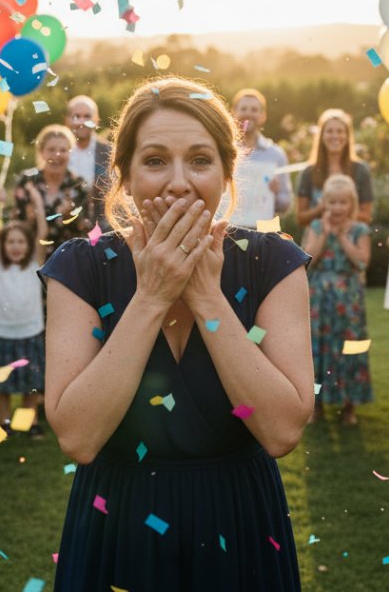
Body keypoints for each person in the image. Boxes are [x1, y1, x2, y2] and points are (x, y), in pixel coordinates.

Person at [41, 77, 312, 590]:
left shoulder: (272, 264)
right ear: (123, 175)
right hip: (117, 525)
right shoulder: (80, 268)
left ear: (228, 173)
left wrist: (207, 297)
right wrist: (152, 296)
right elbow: (77, 436)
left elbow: (281, 431)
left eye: (201, 160)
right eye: (156, 160)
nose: (179, 183)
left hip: (239, 521)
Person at [301, 174, 372, 427]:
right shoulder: (316, 227)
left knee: (349, 348)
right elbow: (307, 261)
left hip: (349, 299)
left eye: (343, 203)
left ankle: (349, 406)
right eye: (332, 203)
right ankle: (315, 405)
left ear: (351, 204)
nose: (338, 208)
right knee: (317, 350)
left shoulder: (359, 230)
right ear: (325, 204)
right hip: (319, 298)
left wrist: (342, 237)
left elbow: (362, 261)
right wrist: (324, 236)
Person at [0, 188, 47, 435]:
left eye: (20, 242)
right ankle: (5, 424)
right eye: (10, 242)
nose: (15, 246)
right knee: (4, 385)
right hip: (3, 333)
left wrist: (37, 200)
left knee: (30, 386)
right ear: (4, 245)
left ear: (28, 246)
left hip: (30, 332)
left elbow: (43, 232)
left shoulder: (34, 266)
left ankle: (28, 423)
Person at [1, 125, 94, 256]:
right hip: (29, 261)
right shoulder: (26, 181)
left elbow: (89, 228)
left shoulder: (79, 185)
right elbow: (12, 222)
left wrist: (72, 218)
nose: (57, 155)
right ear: (41, 152)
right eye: (51, 149)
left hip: (69, 261)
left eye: (63, 150)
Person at [295, 108, 373, 230]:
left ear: (347, 136)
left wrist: (341, 212)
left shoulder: (360, 171)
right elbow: (301, 218)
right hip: (317, 243)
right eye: (329, 131)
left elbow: (367, 216)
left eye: (340, 131)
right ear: (322, 136)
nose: (335, 136)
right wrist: (320, 209)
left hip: (351, 244)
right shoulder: (309, 172)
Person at [228, 88, 292, 228]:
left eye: (254, 110)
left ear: (263, 116)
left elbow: (285, 204)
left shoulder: (276, 155)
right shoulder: (224, 151)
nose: (248, 113)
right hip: (227, 231)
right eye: (243, 108)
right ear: (233, 113)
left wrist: (275, 193)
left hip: (263, 233)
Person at [65, 95, 112, 225]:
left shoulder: (109, 152)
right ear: (67, 120)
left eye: (87, 116)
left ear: (96, 120)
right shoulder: (57, 152)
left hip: (102, 229)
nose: (82, 122)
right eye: (76, 117)